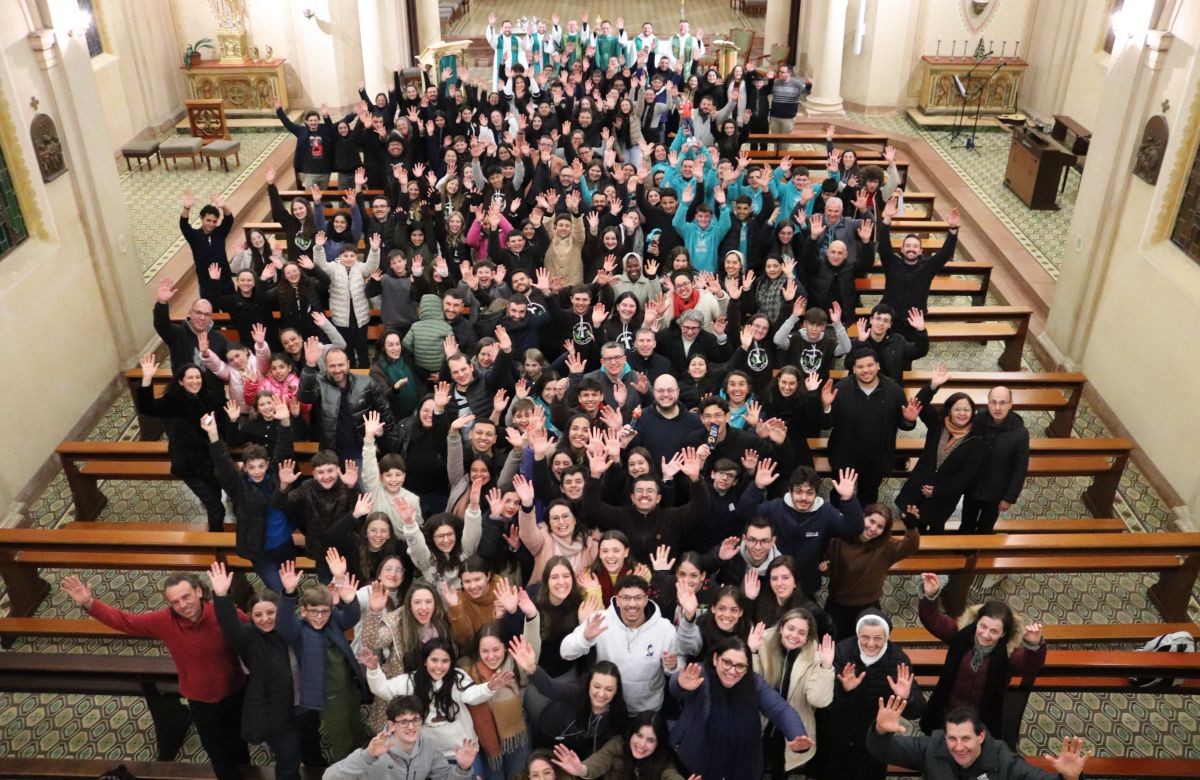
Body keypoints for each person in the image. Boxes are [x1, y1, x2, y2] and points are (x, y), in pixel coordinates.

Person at [60, 573, 250, 780]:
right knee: (218, 754)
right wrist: (89, 603)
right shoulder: (164, 621)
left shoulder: (225, 613)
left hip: (235, 691)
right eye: (175, 602)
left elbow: (257, 628)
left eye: (186, 597)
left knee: (241, 741)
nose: (182, 605)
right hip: (201, 701)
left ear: (198, 591)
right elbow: (126, 622)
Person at [917, 572, 1047, 740]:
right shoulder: (961, 635)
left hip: (980, 719)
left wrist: (1035, 645)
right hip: (947, 710)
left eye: (994, 631)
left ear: (1003, 634)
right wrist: (930, 595)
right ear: (976, 622)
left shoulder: (1007, 654)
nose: (985, 635)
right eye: (983, 626)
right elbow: (933, 620)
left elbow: (1028, 666)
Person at [209, 561, 303, 780]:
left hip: (303, 705)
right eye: (258, 615)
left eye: (271, 612)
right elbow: (230, 626)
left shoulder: (292, 629)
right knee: (289, 761)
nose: (265, 619)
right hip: (277, 715)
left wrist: (290, 593)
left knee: (304, 751)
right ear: (250, 617)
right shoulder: (249, 638)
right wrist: (221, 596)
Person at [669, 637, 812, 780]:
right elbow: (677, 686)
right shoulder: (700, 674)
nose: (732, 671)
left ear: (748, 667)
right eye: (727, 663)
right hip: (698, 760)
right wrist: (681, 685)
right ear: (715, 659)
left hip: (742, 763)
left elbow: (780, 709)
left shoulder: (755, 683)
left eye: (740, 666)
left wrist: (796, 733)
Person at [560, 575, 702, 714]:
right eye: (626, 598)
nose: (632, 604)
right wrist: (585, 638)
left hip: (647, 710)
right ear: (617, 600)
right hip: (608, 707)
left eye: (638, 598)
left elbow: (679, 667)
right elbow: (565, 652)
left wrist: (672, 666)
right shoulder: (600, 621)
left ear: (646, 599)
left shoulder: (664, 629)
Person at [815, 609, 925, 780]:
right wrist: (845, 690)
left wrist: (907, 697)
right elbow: (825, 704)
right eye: (865, 637)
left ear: (887, 637)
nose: (871, 643)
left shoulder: (898, 661)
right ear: (857, 634)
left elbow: (916, 712)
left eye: (878, 638)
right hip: (838, 736)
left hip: (874, 741)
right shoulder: (842, 652)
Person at [868, 699, 1089, 780]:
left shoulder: (1005, 762)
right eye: (952, 739)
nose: (959, 747)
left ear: (981, 736)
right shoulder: (932, 747)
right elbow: (883, 750)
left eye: (966, 738)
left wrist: (1070, 778)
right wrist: (880, 731)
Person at [202, 405, 296, 594]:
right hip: (260, 550)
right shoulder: (239, 488)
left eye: (261, 466)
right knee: (279, 589)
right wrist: (213, 435)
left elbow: (284, 449)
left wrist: (285, 422)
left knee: (291, 584)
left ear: (267, 464)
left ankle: (291, 603)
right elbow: (223, 464)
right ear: (245, 467)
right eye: (251, 467)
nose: (257, 471)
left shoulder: (277, 476)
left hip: (285, 544)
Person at [736, 462, 863, 600]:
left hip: (807, 584)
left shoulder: (826, 512)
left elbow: (854, 528)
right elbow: (743, 514)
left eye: (809, 493)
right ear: (790, 491)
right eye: (798, 491)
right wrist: (757, 487)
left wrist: (848, 499)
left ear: (816, 494)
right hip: (773, 582)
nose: (803, 498)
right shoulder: (774, 508)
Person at [136, 353, 228, 531]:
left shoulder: (209, 399)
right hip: (187, 464)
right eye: (190, 378)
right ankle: (217, 543)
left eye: (198, 377)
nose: (195, 381)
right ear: (180, 381)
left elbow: (221, 426)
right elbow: (146, 408)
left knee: (215, 496)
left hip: (209, 461)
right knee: (216, 507)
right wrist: (147, 378)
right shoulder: (172, 401)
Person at [821, 347, 921, 506]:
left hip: (877, 459)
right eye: (860, 367)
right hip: (845, 457)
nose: (865, 370)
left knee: (868, 498)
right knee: (839, 496)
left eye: (870, 365)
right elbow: (827, 424)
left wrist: (909, 420)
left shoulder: (894, 390)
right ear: (853, 369)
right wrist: (826, 407)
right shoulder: (840, 389)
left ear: (878, 366)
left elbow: (905, 425)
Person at [896, 364, 984, 534]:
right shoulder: (937, 423)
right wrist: (933, 386)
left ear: (973, 412)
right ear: (949, 411)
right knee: (913, 526)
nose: (962, 413)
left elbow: (966, 476)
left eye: (967, 410)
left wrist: (938, 491)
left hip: (944, 496)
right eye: (957, 409)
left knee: (936, 529)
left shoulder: (976, 439)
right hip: (919, 485)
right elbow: (919, 403)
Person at [748, 610, 835, 778]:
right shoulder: (762, 643)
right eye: (791, 628)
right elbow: (750, 687)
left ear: (807, 637)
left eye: (801, 632)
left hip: (791, 729)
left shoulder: (816, 657)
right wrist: (752, 652)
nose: (794, 635)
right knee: (753, 770)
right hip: (760, 724)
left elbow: (818, 700)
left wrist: (826, 667)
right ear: (781, 628)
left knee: (780, 772)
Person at [323, 694, 479, 780]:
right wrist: (367, 756)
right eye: (403, 722)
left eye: (415, 720)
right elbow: (329, 777)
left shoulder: (428, 745)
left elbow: (444, 777)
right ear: (392, 725)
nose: (411, 727)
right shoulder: (375, 749)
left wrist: (462, 769)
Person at [823, 504, 920, 639]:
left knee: (865, 641)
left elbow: (910, 547)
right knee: (832, 638)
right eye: (871, 521)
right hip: (838, 601)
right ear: (863, 517)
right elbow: (829, 568)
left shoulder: (886, 546)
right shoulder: (840, 538)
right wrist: (825, 569)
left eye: (880, 527)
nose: (873, 529)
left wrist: (911, 528)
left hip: (868, 604)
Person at [298, 338, 398, 462]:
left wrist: (391, 448)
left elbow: (386, 413)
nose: (337, 369)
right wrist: (310, 365)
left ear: (348, 364)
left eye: (341, 365)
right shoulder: (319, 381)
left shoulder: (366, 382)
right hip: (331, 455)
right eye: (332, 366)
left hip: (361, 452)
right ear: (326, 367)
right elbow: (304, 397)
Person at [878, 199, 960, 339]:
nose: (911, 249)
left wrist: (952, 230)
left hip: (914, 321)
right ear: (902, 249)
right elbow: (884, 246)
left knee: (907, 355)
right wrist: (888, 218)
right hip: (890, 319)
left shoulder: (927, 267)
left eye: (915, 246)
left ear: (921, 251)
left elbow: (945, 254)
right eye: (908, 246)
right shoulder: (892, 263)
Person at [962, 386, 1030, 534]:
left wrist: (1009, 498)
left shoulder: (1020, 433)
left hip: (996, 493)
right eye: (993, 402)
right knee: (966, 524)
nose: (997, 407)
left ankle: (978, 553)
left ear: (1011, 404)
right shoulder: (978, 420)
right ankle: (962, 553)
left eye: (1003, 402)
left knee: (985, 529)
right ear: (988, 403)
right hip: (972, 487)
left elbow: (1020, 468)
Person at [550, 712, 690, 779]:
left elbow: (671, 776)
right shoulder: (618, 745)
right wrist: (582, 769)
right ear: (631, 733)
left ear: (658, 744)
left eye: (650, 740)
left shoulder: (664, 761)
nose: (641, 744)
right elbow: (599, 761)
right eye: (639, 735)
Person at [180, 190, 235, 300]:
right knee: (209, 313)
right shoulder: (194, 236)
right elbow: (184, 225)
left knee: (232, 312)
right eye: (208, 220)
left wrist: (224, 206)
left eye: (214, 221)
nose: (211, 224)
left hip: (226, 282)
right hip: (206, 284)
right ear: (201, 218)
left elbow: (229, 219)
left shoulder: (220, 233)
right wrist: (186, 208)